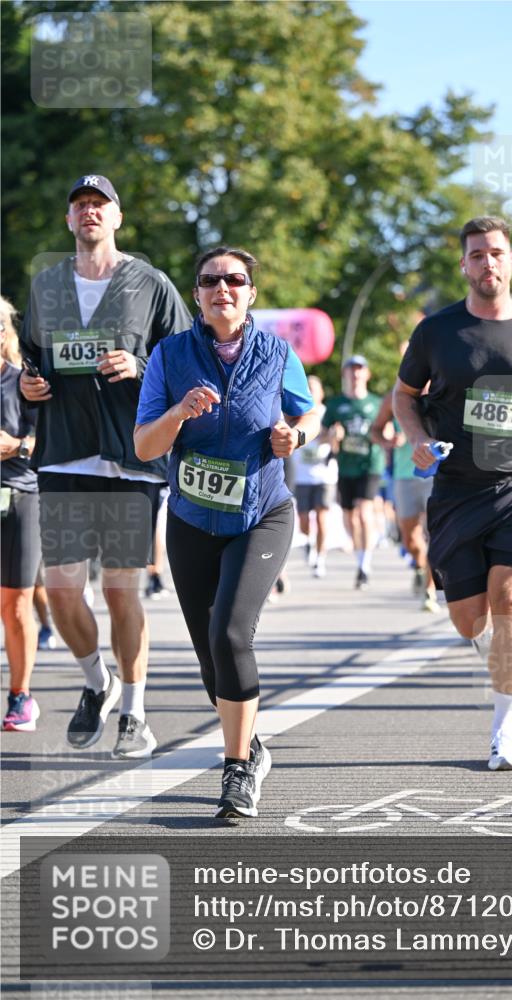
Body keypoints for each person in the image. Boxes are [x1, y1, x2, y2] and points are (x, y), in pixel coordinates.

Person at [134, 246, 320, 819]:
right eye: (211, 280)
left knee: (231, 633)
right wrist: (179, 414)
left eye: (235, 280)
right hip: (192, 519)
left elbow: (309, 413)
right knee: (210, 655)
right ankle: (252, 744)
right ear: (197, 295)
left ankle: (236, 769)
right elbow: (144, 446)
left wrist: (296, 434)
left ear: (251, 293)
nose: (223, 288)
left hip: (262, 513)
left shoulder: (276, 351)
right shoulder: (170, 355)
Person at [393, 216, 512, 771]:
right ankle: (497, 657)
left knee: (511, 602)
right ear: (464, 265)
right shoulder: (437, 331)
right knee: (471, 619)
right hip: (455, 490)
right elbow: (405, 396)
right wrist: (419, 440)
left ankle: (505, 732)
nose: (487, 262)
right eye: (477, 255)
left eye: (496, 252)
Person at [19, 173, 192, 758]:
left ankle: (135, 712)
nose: (89, 213)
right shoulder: (45, 287)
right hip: (65, 455)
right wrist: (29, 385)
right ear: (69, 221)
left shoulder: (150, 284)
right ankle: (98, 682)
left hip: (130, 457)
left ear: (117, 218)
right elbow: (30, 366)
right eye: (80, 206)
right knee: (62, 591)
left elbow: (185, 362)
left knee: (122, 591)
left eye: (100, 205)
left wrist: (141, 365)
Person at [1, 296, 41, 731]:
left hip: (18, 495)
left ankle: (21, 696)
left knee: (15, 605)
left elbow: (46, 442)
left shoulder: (22, 381)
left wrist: (15, 446)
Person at [371, 365, 440, 613]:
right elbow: (375, 430)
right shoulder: (394, 398)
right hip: (404, 475)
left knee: (435, 536)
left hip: (435, 476)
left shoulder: (441, 393)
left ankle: (429, 591)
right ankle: (420, 568)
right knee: (410, 538)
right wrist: (387, 442)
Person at [322, 356, 385, 589]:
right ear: (345, 375)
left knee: (362, 511)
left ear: (367, 374)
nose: (355, 374)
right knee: (350, 518)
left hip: (370, 464)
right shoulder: (336, 404)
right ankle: (360, 559)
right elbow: (321, 433)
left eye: (359, 370)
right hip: (345, 466)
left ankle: (365, 565)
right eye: (351, 370)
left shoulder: (376, 403)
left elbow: (388, 430)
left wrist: (388, 436)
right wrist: (331, 436)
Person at [292, 375, 338, 578]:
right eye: (308, 387)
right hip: (303, 475)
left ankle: (320, 559)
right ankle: (309, 543)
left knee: (322, 517)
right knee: (303, 519)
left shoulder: (328, 413)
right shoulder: (295, 410)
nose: (311, 391)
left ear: (321, 393)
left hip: (325, 475)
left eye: (314, 388)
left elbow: (336, 441)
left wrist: (332, 436)